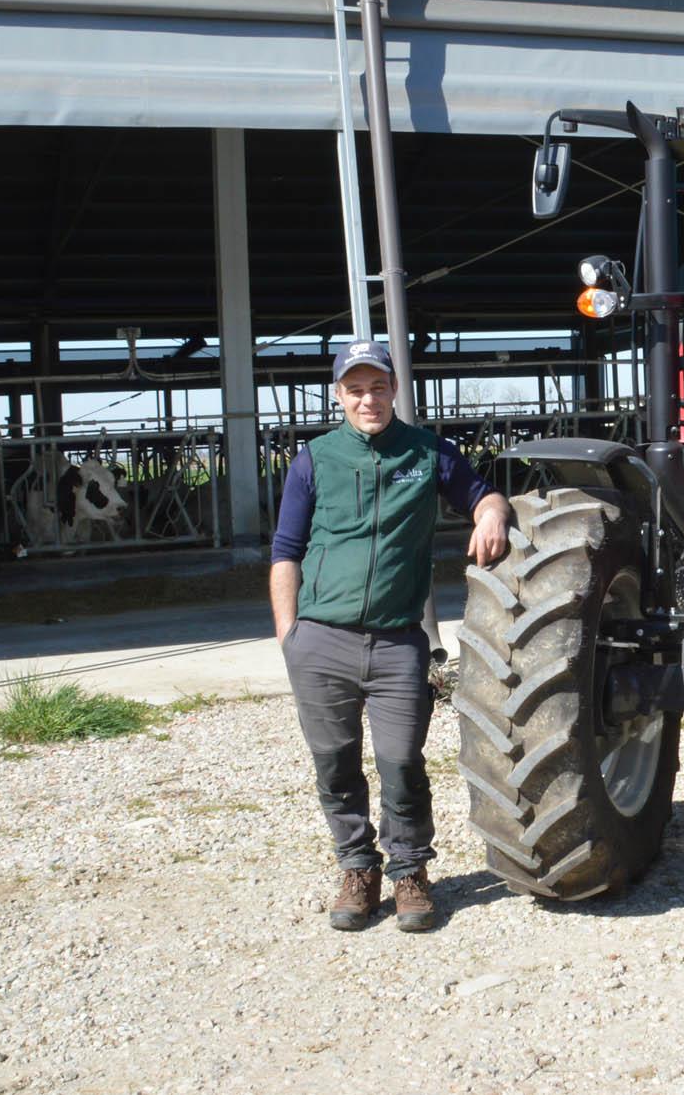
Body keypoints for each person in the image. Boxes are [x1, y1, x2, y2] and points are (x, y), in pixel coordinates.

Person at [270, 340, 509, 933]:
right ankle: (357, 868)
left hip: (398, 640)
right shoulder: (314, 459)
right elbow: (285, 553)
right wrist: (288, 635)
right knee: (336, 765)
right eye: (355, 388)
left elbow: (483, 495)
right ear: (338, 395)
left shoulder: (427, 453)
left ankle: (409, 872)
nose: (367, 398)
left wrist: (493, 514)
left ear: (394, 390)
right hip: (321, 639)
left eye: (378, 386)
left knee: (402, 762)